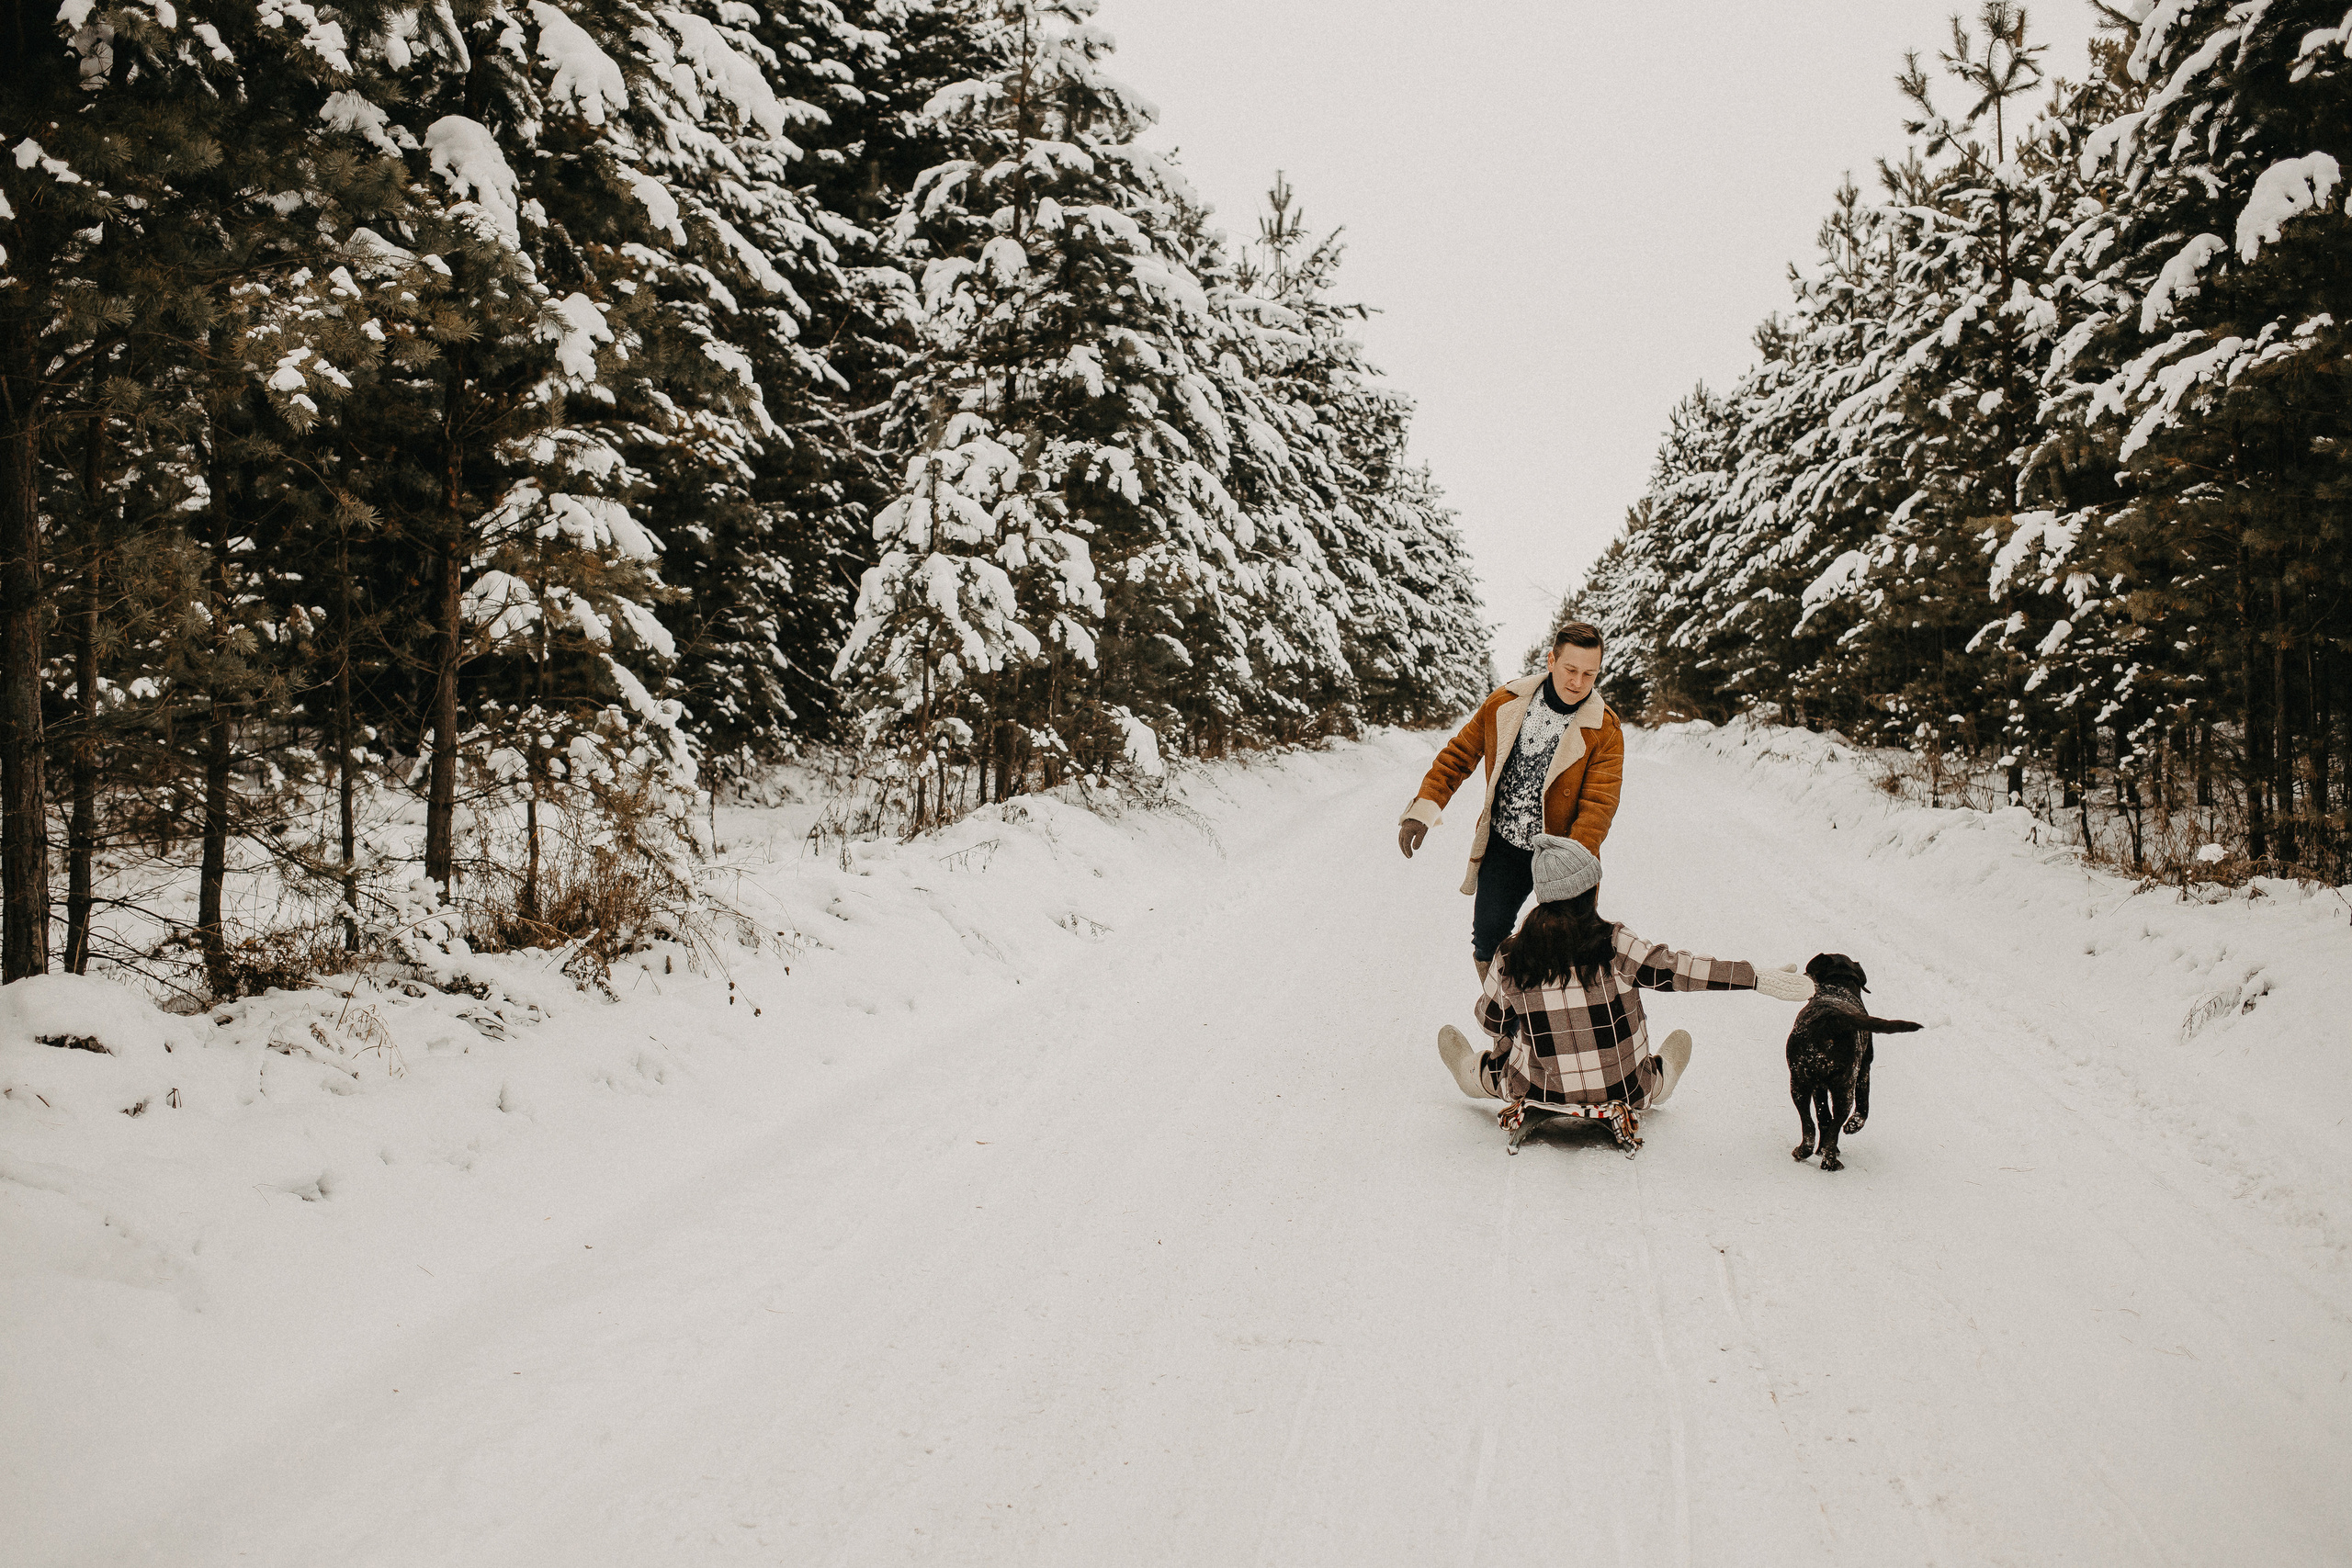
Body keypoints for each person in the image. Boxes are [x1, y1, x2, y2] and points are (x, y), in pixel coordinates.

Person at [1436, 834, 1814, 1111]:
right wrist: (1756, 977)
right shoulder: (1616, 944)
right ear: (1590, 891)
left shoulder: (1510, 955)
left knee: (1492, 1065)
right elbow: (1684, 969)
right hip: (1625, 1092)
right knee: (1663, 1065)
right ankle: (1662, 1074)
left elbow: (1490, 1022)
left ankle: (1470, 1069)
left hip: (1537, 1091)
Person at [1397, 621, 1622, 981]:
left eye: (1589, 674)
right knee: (1487, 941)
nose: (1577, 682)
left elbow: (1600, 804)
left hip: (1562, 856)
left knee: (1570, 953)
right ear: (1551, 660)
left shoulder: (1604, 728)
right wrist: (1425, 808)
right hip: (1505, 848)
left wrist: (1569, 866)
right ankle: (1506, 1025)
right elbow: (1459, 755)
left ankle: (1566, 1033)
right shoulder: (1505, 704)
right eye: (1570, 669)